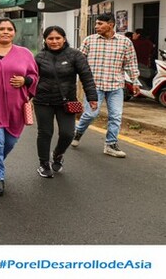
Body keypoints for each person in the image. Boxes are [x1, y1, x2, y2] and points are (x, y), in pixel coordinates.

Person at [71, 13, 140, 158]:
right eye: (96, 23)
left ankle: (110, 144)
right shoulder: (89, 40)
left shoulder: (125, 42)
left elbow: (131, 64)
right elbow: (78, 61)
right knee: (91, 114)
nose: (96, 26)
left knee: (116, 116)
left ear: (111, 24)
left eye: (100, 23)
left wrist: (135, 82)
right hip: (94, 86)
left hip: (115, 85)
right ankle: (77, 133)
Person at [33, 26, 98, 178]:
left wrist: (92, 97)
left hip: (66, 102)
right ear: (45, 40)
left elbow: (86, 76)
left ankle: (58, 154)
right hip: (43, 101)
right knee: (45, 133)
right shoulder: (39, 57)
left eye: (57, 38)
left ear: (64, 38)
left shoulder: (75, 55)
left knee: (68, 134)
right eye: (50, 38)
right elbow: (32, 77)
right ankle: (43, 164)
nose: (54, 41)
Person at [0, 18, 38, 196]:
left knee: (9, 142)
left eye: (9, 29)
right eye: (1, 29)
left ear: (14, 32)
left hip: (16, 107)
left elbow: (34, 76)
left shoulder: (25, 53)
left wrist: (26, 80)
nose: (5, 32)